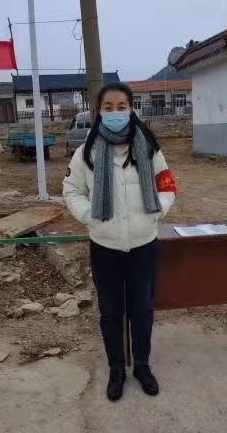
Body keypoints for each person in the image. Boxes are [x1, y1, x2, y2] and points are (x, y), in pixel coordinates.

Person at [63, 82, 176, 401]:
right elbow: (71, 190)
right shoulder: (86, 152)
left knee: (141, 310)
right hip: (105, 247)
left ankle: (141, 366)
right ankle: (116, 369)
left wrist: (157, 212)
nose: (115, 113)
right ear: (99, 111)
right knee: (111, 314)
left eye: (121, 107)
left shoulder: (149, 148)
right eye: (108, 107)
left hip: (144, 245)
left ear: (131, 109)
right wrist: (89, 215)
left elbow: (167, 186)